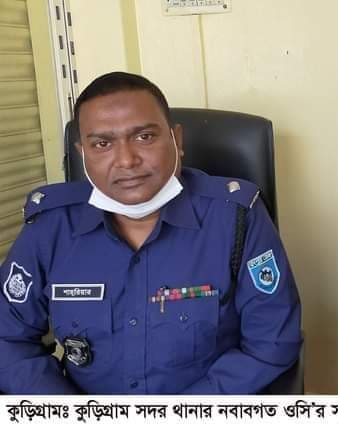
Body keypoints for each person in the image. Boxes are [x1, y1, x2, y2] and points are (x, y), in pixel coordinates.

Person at [0, 72, 302, 394]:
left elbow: (272, 343)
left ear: (177, 140)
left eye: (144, 137)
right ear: (82, 153)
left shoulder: (236, 218)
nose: (126, 160)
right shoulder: (51, 227)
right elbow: (8, 339)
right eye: (102, 144)